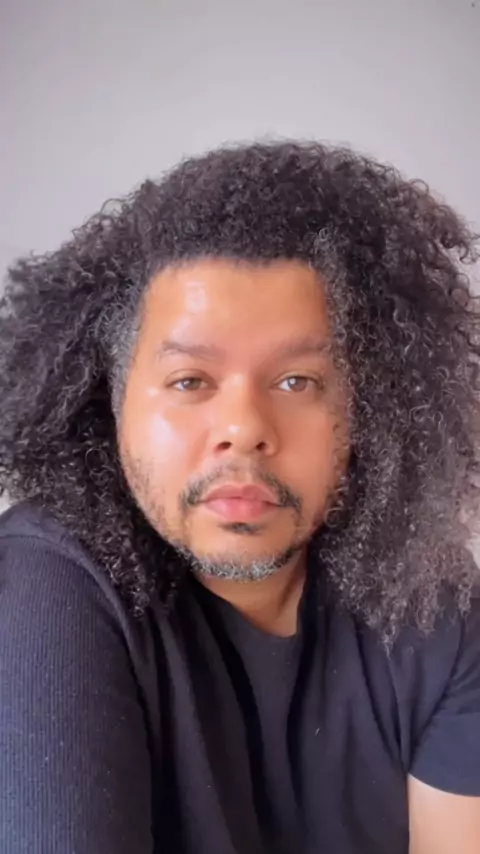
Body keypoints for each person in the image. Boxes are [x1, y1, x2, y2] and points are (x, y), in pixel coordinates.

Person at [0, 140, 480, 854]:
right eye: (190, 381)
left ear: (367, 407)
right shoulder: (48, 581)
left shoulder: (434, 601)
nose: (244, 428)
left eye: (297, 381)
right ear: (111, 404)